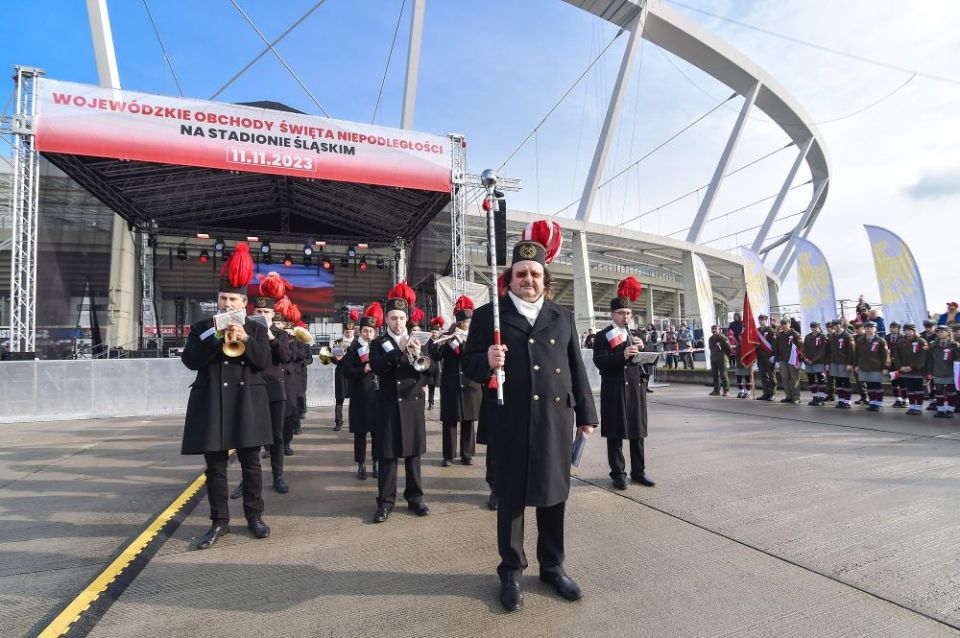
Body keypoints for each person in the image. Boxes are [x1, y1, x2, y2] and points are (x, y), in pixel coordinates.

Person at [462, 236, 598, 612]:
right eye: (521, 273)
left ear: (545, 278)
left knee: (554, 497)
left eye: (535, 273)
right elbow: (468, 365)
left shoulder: (562, 316)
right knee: (511, 500)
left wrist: (586, 415)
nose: (528, 279)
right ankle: (511, 570)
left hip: (555, 420)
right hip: (510, 421)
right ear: (510, 278)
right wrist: (487, 359)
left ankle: (552, 567)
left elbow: (576, 370)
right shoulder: (490, 316)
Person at [180, 242, 272, 549]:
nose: (227, 303)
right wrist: (217, 336)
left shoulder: (257, 330)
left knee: (252, 465)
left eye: (233, 299)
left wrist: (244, 337)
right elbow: (191, 360)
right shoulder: (202, 328)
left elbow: (263, 363)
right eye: (223, 298)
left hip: (247, 403)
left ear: (243, 302)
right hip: (214, 404)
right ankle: (219, 523)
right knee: (215, 468)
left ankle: (254, 517)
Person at [369, 282, 431, 523]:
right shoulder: (378, 342)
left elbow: (428, 372)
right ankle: (385, 502)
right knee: (388, 456)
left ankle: (415, 498)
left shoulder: (418, 340)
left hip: (412, 402)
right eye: (393, 318)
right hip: (387, 404)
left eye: (401, 318)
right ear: (386, 319)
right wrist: (399, 351)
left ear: (407, 319)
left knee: (413, 455)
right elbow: (376, 367)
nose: (398, 322)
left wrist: (418, 355)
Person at [593, 276, 654, 491]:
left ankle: (639, 472)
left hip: (636, 389)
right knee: (615, 433)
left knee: (637, 432)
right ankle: (618, 473)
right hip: (615, 388)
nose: (625, 317)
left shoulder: (636, 334)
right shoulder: (603, 336)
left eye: (628, 313)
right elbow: (599, 360)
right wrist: (622, 355)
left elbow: (646, 359)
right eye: (621, 313)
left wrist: (644, 348)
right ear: (613, 314)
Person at [429, 295, 481, 467]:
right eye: (466, 321)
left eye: (470, 320)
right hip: (451, 382)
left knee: (468, 421)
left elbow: (474, 357)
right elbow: (436, 356)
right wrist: (438, 343)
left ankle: (467, 454)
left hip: (469, 383)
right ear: (459, 322)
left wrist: (462, 343)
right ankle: (448, 455)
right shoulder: (448, 335)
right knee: (450, 421)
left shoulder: (476, 338)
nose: (468, 323)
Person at [342, 303, 383, 479]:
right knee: (360, 434)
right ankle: (361, 464)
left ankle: (376, 462)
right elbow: (347, 372)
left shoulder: (380, 348)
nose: (368, 334)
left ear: (375, 332)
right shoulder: (353, 348)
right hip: (359, 397)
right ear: (360, 331)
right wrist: (363, 370)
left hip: (376, 396)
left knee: (376, 433)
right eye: (365, 330)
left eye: (371, 331)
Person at [891, 323, 928, 415]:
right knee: (910, 389)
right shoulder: (901, 341)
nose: (907, 332)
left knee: (918, 389)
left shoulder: (920, 341)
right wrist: (901, 367)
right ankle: (912, 406)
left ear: (914, 331)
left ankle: (918, 407)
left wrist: (912, 366)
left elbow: (922, 356)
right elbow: (896, 355)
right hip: (904, 370)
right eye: (905, 330)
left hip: (917, 370)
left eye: (909, 330)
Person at [854, 320, 890, 412]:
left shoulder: (880, 340)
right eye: (867, 327)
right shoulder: (860, 340)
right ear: (864, 329)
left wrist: (885, 367)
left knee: (877, 386)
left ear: (875, 329)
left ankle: (878, 403)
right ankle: (872, 402)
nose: (869, 329)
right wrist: (857, 365)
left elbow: (885, 355)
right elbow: (857, 354)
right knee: (869, 386)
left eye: (871, 327)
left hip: (876, 367)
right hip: (864, 366)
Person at [927, 325, 958, 418]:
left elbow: (958, 359)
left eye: (942, 332)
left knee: (951, 392)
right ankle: (940, 410)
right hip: (937, 371)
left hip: (950, 371)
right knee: (938, 392)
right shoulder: (933, 344)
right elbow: (930, 360)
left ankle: (950, 410)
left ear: (948, 333)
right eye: (938, 332)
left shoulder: (954, 345)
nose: (939, 333)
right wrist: (929, 372)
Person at [332, 315, 356, 431]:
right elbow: (334, 360)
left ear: (354, 331)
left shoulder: (357, 342)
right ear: (344, 331)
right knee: (339, 398)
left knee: (355, 399)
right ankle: (338, 422)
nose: (349, 334)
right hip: (341, 373)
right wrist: (338, 357)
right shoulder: (338, 342)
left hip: (354, 373)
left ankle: (354, 422)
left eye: (351, 332)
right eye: (347, 332)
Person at [826, 320, 856, 409]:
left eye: (836, 325)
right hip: (834, 362)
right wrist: (828, 363)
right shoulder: (832, 336)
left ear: (840, 325)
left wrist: (850, 363)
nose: (835, 327)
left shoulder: (847, 336)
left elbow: (851, 351)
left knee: (845, 381)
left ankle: (847, 401)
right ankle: (841, 400)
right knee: (838, 382)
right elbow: (829, 351)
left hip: (844, 362)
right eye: (833, 325)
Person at [774, 319, 804, 404]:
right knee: (784, 378)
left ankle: (796, 397)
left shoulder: (795, 334)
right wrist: (777, 360)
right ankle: (788, 396)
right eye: (782, 324)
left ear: (789, 324)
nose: (783, 325)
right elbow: (776, 348)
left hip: (793, 360)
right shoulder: (780, 335)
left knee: (794, 378)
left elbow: (801, 347)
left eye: (785, 324)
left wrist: (800, 360)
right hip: (783, 360)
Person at [803, 321, 828, 406]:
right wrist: (805, 358)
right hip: (808, 362)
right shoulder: (808, 336)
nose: (813, 328)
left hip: (819, 362)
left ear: (819, 327)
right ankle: (815, 396)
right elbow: (804, 349)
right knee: (811, 380)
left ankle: (821, 398)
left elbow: (822, 350)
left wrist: (813, 360)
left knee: (820, 379)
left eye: (815, 327)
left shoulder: (823, 336)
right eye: (812, 327)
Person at [755, 314, 777, 401]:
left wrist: (774, 355)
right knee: (763, 376)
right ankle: (765, 393)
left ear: (766, 320)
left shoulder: (770, 330)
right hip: (760, 356)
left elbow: (774, 343)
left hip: (768, 356)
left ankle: (772, 394)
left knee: (771, 375)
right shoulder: (757, 331)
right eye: (759, 319)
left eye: (762, 319)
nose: (760, 321)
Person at [885, 322, 905, 407]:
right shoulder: (887, 337)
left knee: (902, 383)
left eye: (894, 327)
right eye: (891, 327)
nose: (892, 329)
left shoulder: (903, 337)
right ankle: (898, 399)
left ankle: (905, 399)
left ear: (898, 328)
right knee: (894, 382)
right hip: (891, 364)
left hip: (901, 363)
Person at [427, 316, 445, 410]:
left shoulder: (442, 340)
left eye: (435, 332)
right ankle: (431, 402)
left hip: (440, 365)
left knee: (442, 384)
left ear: (438, 333)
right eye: (432, 332)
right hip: (432, 365)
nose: (434, 334)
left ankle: (444, 402)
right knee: (431, 384)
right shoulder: (428, 341)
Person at [707, 325, 731, 397]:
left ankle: (726, 390)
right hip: (713, 359)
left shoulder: (723, 338)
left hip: (722, 359)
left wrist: (724, 355)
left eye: (715, 329)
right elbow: (711, 348)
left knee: (723, 375)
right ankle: (716, 390)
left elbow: (728, 349)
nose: (713, 330)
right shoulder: (711, 339)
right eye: (712, 329)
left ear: (719, 330)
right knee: (715, 375)